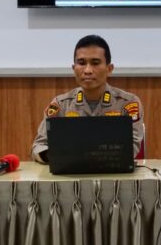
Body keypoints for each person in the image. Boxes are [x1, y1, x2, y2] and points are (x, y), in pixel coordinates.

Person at [32, 34, 144, 163]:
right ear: (74, 69)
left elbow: (132, 146)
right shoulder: (60, 104)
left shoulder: (127, 103)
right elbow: (39, 146)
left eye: (95, 63)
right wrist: (57, 156)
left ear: (109, 69)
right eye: (81, 63)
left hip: (112, 174)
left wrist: (85, 154)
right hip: (70, 175)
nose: (88, 70)